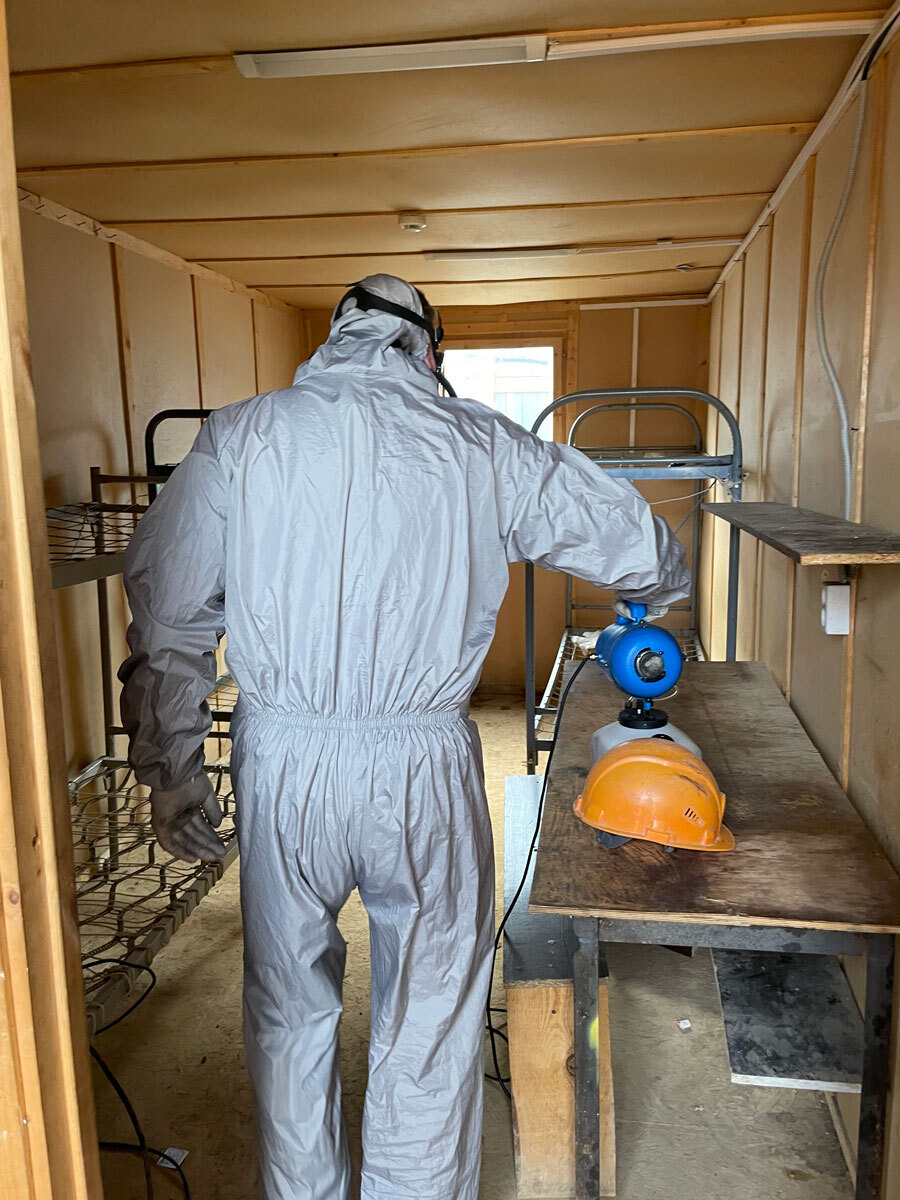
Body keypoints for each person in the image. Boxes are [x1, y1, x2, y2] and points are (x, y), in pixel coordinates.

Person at [119, 274, 689, 1200]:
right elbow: (634, 544)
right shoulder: (480, 442)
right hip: (422, 765)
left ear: (336, 335)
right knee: (429, 1012)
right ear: (429, 348)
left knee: (287, 1009)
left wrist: (173, 771)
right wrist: (662, 583)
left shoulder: (241, 436)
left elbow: (168, 615)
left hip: (284, 761)